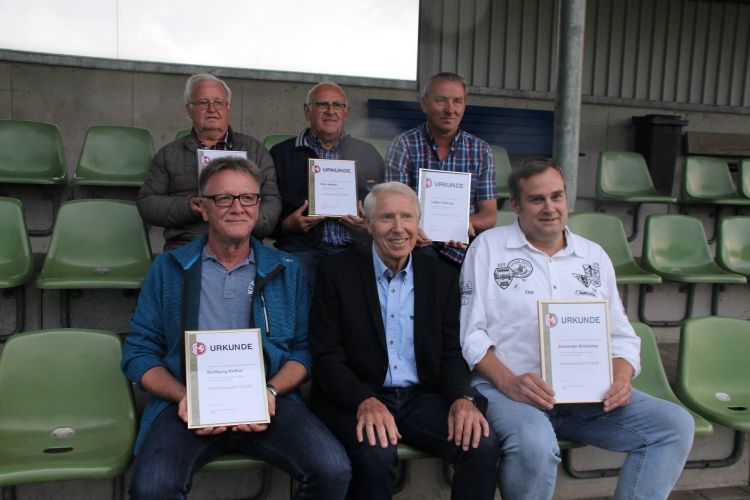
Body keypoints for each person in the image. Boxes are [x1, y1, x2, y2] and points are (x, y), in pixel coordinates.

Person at [459, 158, 694, 500]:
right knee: (536, 445)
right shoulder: (487, 249)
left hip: (585, 396)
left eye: (557, 196)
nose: (550, 208)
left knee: (674, 425)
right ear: (516, 205)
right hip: (509, 392)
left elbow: (621, 335)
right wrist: (510, 383)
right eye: (537, 199)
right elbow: (471, 334)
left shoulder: (593, 256)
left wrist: (621, 378)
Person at [122, 157, 350, 499]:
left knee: (333, 469)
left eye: (247, 198)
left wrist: (270, 392)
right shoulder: (168, 269)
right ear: (203, 208)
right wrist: (184, 396)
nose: (237, 207)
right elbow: (139, 353)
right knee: (151, 488)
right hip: (187, 405)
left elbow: (304, 350)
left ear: (258, 206)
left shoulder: (286, 269)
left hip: (268, 403)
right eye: (224, 198)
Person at [309, 182, 499, 500]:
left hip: (420, 397)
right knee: (377, 454)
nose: (399, 228)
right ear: (368, 224)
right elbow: (326, 354)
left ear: (419, 222)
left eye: (407, 217)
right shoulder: (336, 271)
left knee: (481, 443)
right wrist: (364, 401)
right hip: (357, 395)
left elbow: (452, 352)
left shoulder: (441, 276)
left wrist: (461, 399)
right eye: (387, 218)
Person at [137, 73, 280, 251]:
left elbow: (271, 203)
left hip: (245, 245)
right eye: (203, 103)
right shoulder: (169, 154)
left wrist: (242, 217)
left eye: (218, 102)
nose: (212, 109)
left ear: (228, 108)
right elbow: (147, 204)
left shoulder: (255, 150)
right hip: (188, 244)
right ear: (189, 110)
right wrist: (188, 207)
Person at [270, 81, 383, 288]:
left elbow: (384, 206)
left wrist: (368, 225)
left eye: (337, 105)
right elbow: (266, 210)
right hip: (304, 248)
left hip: (355, 246)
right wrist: (287, 225)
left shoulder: (367, 153)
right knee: (294, 274)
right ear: (307, 111)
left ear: (346, 113)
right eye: (322, 104)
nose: (331, 111)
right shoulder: (281, 154)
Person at [385, 72, 496, 267]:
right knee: (423, 263)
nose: (450, 109)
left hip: (463, 246)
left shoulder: (481, 151)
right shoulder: (404, 145)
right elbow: (393, 205)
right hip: (416, 245)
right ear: (424, 104)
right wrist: (412, 229)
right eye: (441, 101)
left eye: (457, 101)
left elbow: (489, 214)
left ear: (464, 106)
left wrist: (462, 225)